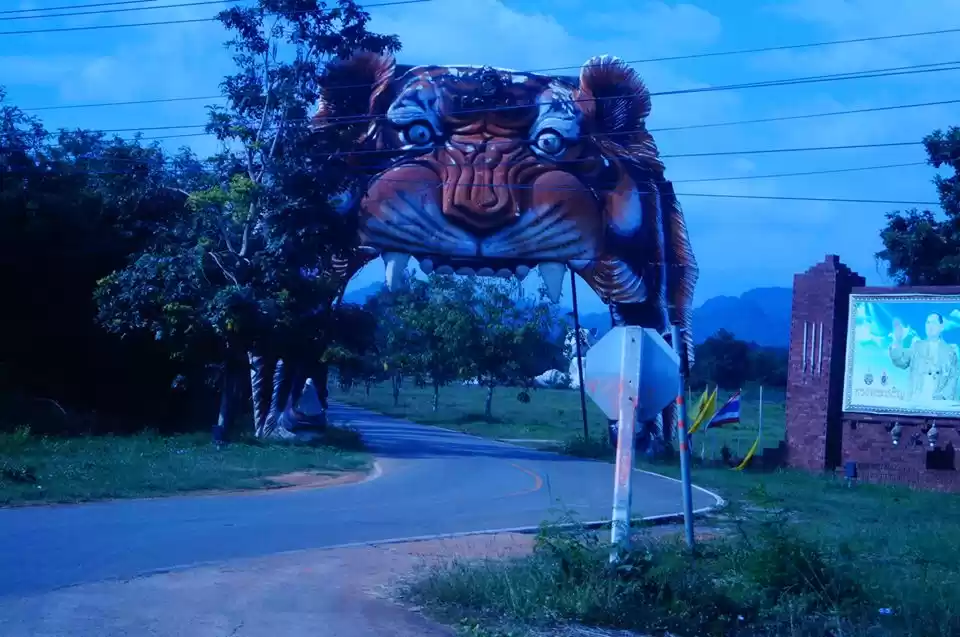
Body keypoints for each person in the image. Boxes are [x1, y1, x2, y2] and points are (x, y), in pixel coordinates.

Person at [889, 313, 960, 403]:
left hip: (939, 402)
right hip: (917, 398)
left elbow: (953, 378)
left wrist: (944, 397)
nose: (930, 326)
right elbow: (901, 361)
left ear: (941, 327)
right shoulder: (916, 346)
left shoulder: (950, 351)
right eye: (928, 322)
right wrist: (897, 341)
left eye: (934, 323)